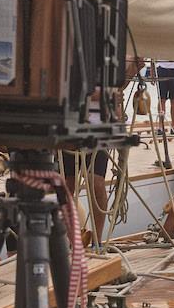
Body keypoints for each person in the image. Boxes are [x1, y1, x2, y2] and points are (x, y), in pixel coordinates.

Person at [61, 53, 147, 245]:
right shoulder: (75, 54)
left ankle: (97, 242)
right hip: (73, 126)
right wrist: (105, 95)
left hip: (101, 128)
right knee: (67, 185)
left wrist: (133, 70)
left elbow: (116, 89)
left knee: (97, 183)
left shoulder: (111, 54)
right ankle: (71, 241)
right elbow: (68, 86)